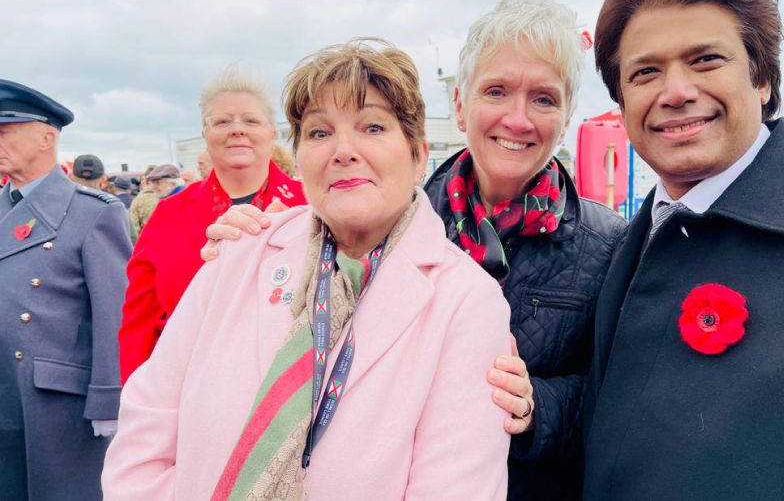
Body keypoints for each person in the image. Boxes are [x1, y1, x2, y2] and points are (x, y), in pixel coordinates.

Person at [202, 0, 625, 500]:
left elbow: (620, 399)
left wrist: (538, 407)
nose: (518, 118)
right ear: (461, 107)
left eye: (544, 99)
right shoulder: (385, 222)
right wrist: (254, 251)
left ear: (566, 116)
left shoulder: (607, 245)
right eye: (496, 91)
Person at [103, 40, 511, 501]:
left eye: (372, 126)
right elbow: (149, 419)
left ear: (418, 156)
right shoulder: (239, 251)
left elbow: (455, 489)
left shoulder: (466, 299)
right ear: (298, 159)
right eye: (319, 133)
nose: (343, 150)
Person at [581, 0, 784, 499]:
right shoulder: (637, 236)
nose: (675, 91)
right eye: (644, 73)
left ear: (762, 78)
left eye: (706, 60)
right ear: (622, 105)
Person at [118, 65, 307, 383]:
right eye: (222, 121)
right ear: (205, 135)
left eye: (251, 120)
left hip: (288, 393)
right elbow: (139, 322)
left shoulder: (310, 206)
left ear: (272, 133)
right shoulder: (168, 215)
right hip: (186, 390)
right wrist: (133, 402)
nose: (237, 129)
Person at [0, 79, 131, 501]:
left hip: (56, 403)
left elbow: (114, 311)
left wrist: (110, 403)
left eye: (4, 131)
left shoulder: (92, 212)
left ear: (46, 137)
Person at [129, 164, 159, 234]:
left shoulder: (138, 201)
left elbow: (133, 229)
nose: (142, 182)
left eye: (143, 179)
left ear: (148, 181)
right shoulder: (171, 197)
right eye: (141, 179)